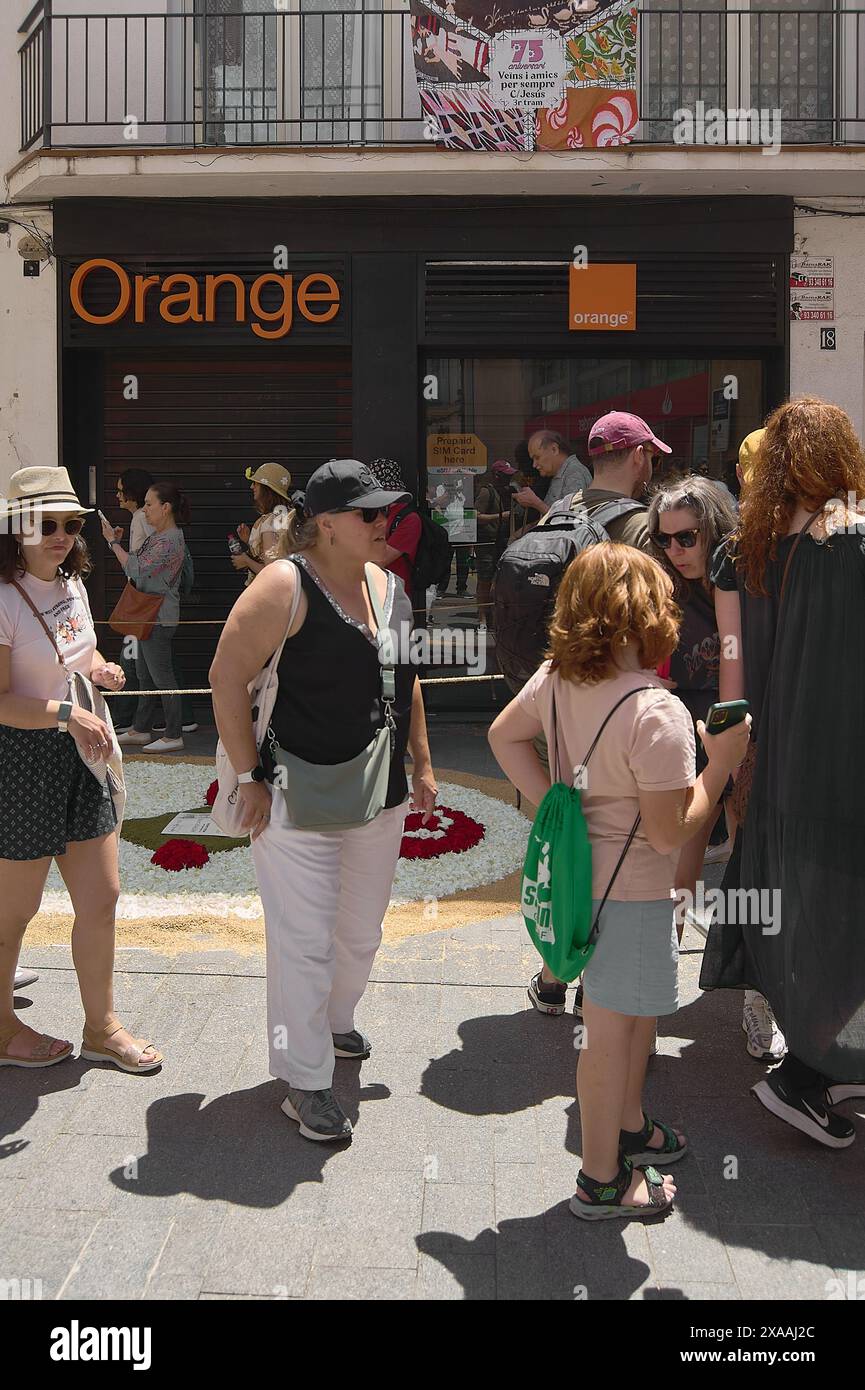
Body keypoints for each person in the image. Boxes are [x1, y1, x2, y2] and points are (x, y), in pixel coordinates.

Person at [488, 544, 749, 1218]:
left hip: (579, 884)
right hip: (631, 892)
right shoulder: (655, 712)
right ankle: (600, 1178)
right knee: (609, 1034)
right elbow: (672, 830)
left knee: (629, 1022)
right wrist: (719, 765)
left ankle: (629, 1126)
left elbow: (501, 735)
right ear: (650, 613)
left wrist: (554, 802)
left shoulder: (553, 678)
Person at [209, 460, 437, 1142]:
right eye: (370, 515)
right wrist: (247, 776)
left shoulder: (388, 584)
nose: (383, 524)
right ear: (327, 523)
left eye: (386, 514)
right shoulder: (284, 582)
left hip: (378, 786)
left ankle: (334, 1024)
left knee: (361, 931)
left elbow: (406, 678)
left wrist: (422, 761)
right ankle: (304, 1079)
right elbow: (224, 676)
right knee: (302, 941)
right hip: (292, 789)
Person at [703, 396, 865, 1148]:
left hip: (774, 748)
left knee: (789, 890)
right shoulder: (855, 537)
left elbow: (732, 665)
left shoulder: (745, 550)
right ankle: (814, 1066)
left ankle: (800, 1050)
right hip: (841, 753)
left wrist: (735, 746)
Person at [0, 467, 162, 1072]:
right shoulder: (4, 597)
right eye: (45, 525)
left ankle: (103, 1026)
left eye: (70, 525)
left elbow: (78, 649)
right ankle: (2, 1028)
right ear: (15, 529)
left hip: (82, 752)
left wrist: (100, 669)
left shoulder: (73, 587)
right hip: (22, 760)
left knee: (102, 897)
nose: (61, 536)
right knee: (13, 910)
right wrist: (67, 712)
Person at [518, 410, 672, 1016]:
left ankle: (557, 970)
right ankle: (597, 994)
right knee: (618, 842)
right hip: (618, 703)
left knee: (569, 841)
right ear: (637, 457)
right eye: (651, 457)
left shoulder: (558, 511)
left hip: (553, 694)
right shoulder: (636, 526)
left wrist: (548, 801)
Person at [646, 478, 750, 949]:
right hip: (682, 733)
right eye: (664, 539)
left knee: (750, 856)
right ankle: (664, 961)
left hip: (741, 729)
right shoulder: (663, 586)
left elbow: (742, 654)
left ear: (713, 529)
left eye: (686, 537)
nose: (674, 550)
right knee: (682, 856)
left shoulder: (746, 580)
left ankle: (752, 973)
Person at [102, 482, 191, 753]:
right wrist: (116, 543)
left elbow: (136, 568)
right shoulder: (163, 536)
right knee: (145, 674)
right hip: (150, 614)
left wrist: (111, 542)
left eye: (150, 504)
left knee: (161, 677)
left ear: (166, 508)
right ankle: (141, 729)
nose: (146, 510)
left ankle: (174, 734)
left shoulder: (169, 539)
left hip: (157, 615)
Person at [110, 468, 154, 732]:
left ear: (132, 493)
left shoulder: (140, 519)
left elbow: (134, 567)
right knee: (155, 661)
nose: (117, 496)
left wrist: (112, 544)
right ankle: (183, 717)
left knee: (131, 658)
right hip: (147, 600)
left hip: (139, 601)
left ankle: (125, 718)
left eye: (120, 490)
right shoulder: (143, 518)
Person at [369, 458, 423, 599]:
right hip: (370, 592)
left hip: (396, 596)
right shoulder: (373, 514)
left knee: (400, 622)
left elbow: (382, 559)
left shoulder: (409, 519)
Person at [234, 463, 293, 588]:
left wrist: (246, 560)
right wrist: (249, 540)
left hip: (268, 594)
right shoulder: (284, 515)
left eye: (255, 483)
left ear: (267, 488)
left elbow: (271, 571)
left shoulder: (270, 522)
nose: (252, 487)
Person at [514, 430, 592, 518]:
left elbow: (573, 521)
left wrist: (536, 503)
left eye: (537, 457)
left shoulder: (575, 474)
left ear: (554, 449)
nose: (534, 465)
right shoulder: (561, 473)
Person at [475, 460, 515, 618]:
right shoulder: (487, 492)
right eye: (506, 475)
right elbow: (476, 516)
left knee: (499, 579)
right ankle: (482, 616)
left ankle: (493, 613)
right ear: (497, 476)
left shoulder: (508, 491)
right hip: (487, 541)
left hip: (503, 540)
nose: (508, 479)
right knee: (485, 578)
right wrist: (500, 517)